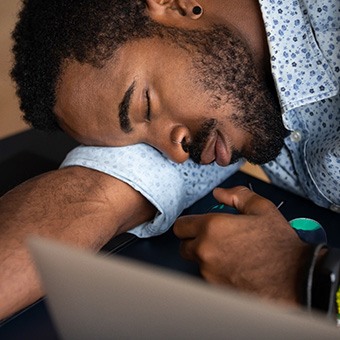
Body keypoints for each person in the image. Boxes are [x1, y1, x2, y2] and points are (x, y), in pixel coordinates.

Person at [0, 0, 339, 320]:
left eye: (145, 107)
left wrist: (301, 274)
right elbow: (92, 193)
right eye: (139, 142)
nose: (175, 153)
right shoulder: (234, 86)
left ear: (173, 4)